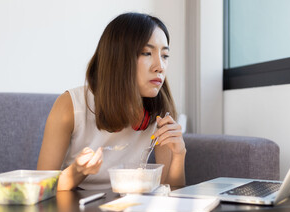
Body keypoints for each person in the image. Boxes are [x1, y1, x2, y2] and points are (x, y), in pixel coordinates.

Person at [37, 12, 186, 191]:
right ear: (118, 58)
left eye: (165, 55)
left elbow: (174, 194)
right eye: (147, 53)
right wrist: (77, 171)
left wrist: (179, 155)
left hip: (130, 210)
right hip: (76, 210)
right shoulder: (70, 105)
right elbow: (41, 188)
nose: (160, 66)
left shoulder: (159, 111)